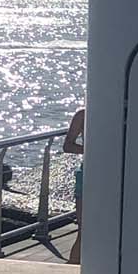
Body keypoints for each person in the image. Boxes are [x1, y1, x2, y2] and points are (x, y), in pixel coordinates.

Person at [61, 106, 87, 265]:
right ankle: (71, 268)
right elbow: (67, 146)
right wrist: (91, 150)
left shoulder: (120, 112)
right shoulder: (83, 115)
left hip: (116, 174)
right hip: (88, 173)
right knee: (84, 229)